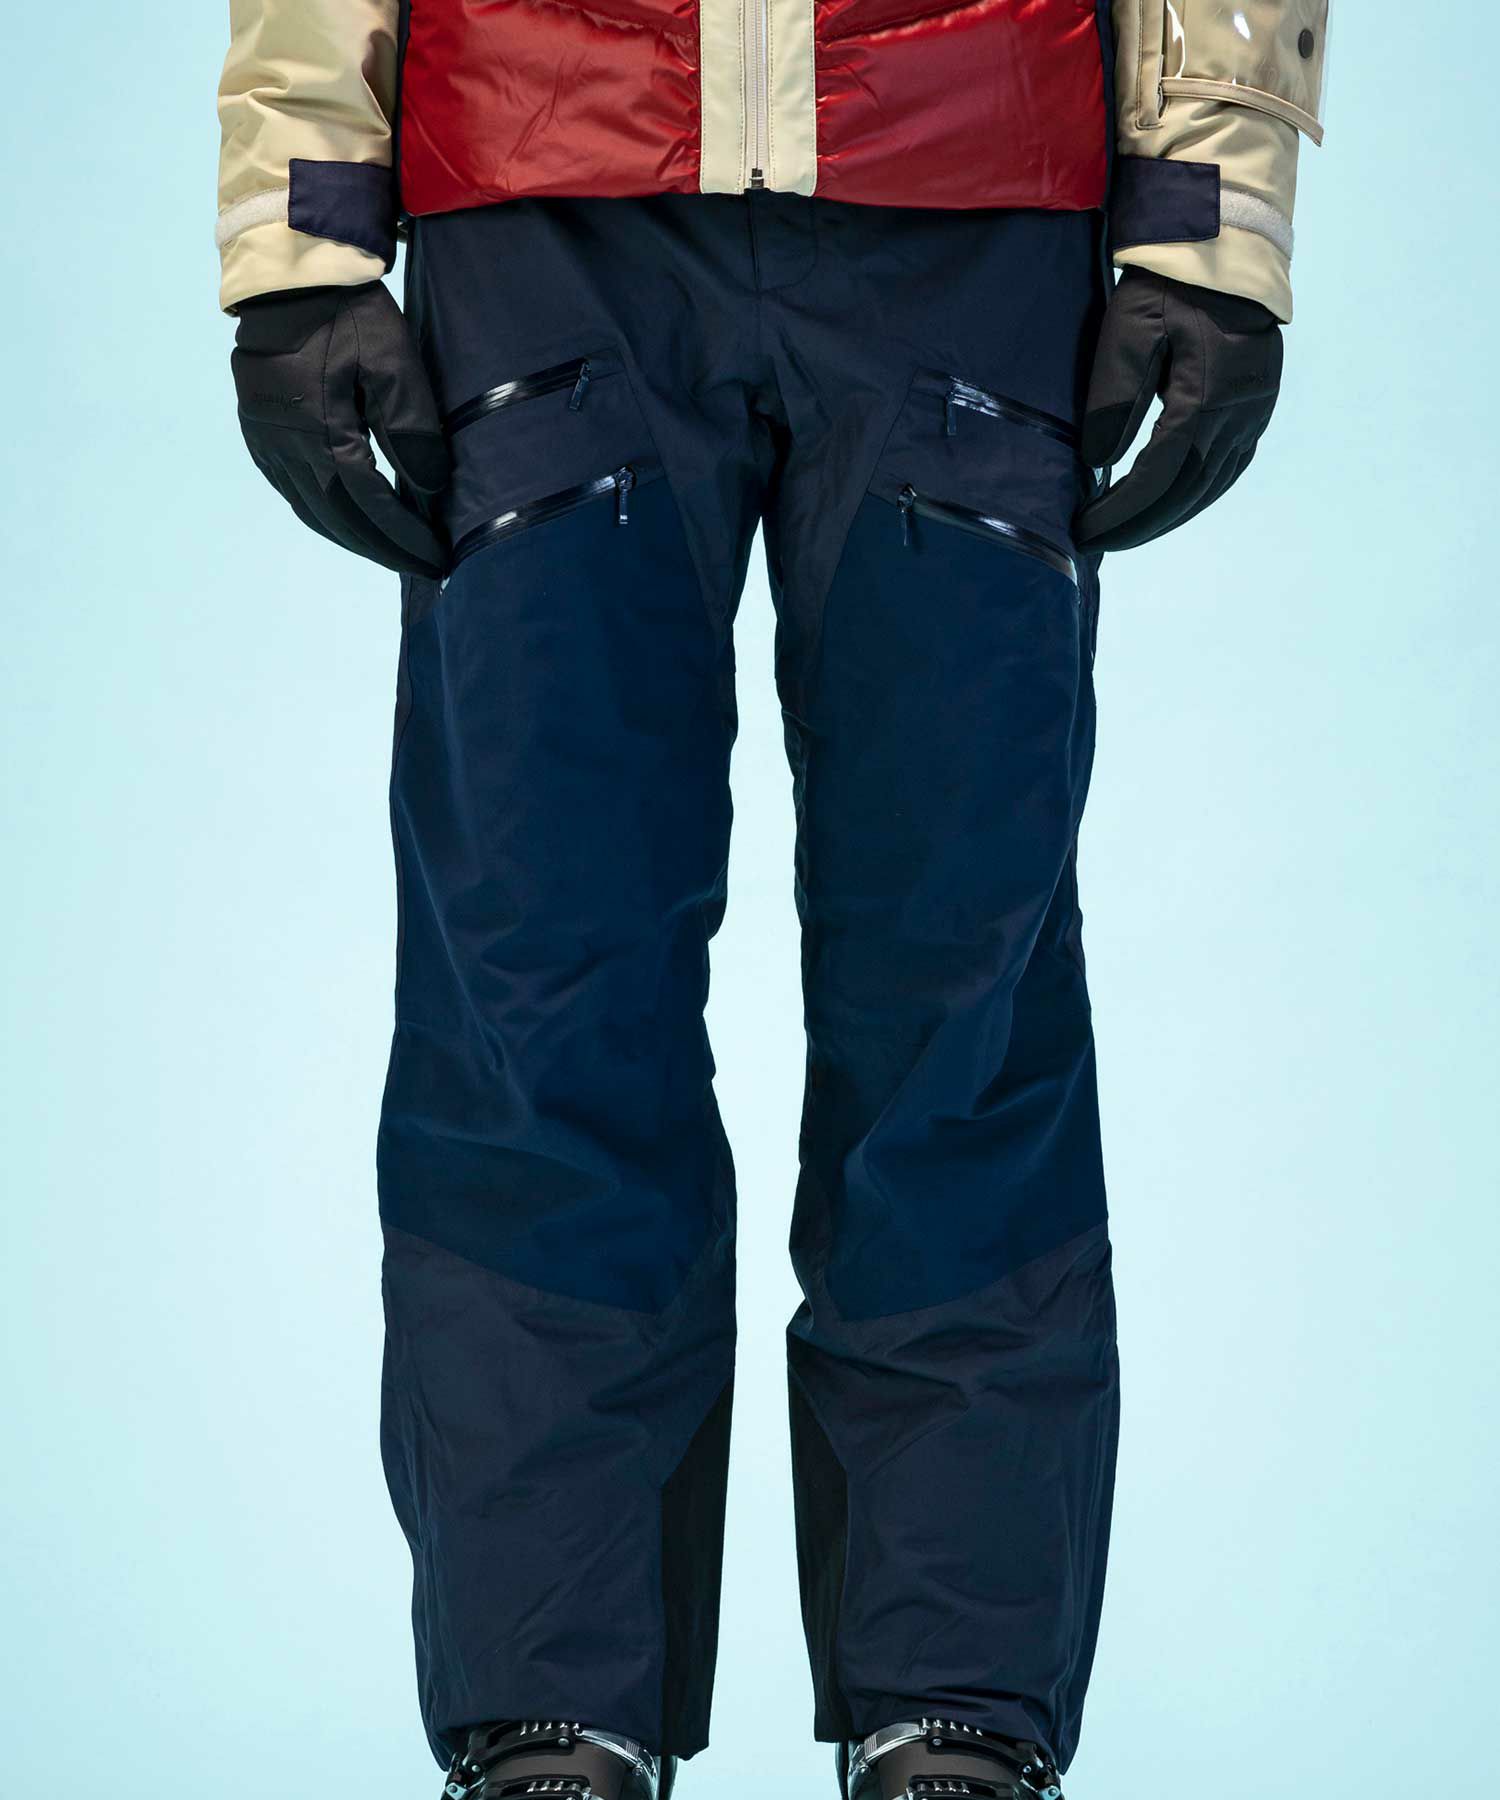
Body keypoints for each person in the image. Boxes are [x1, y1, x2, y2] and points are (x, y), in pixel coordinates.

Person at [217, 4, 1327, 1795]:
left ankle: (953, 1711)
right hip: (542, 194)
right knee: (539, 986)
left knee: (958, 996)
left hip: (971, 193)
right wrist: (304, 235)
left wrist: (1210, 213)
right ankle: (550, 1716)